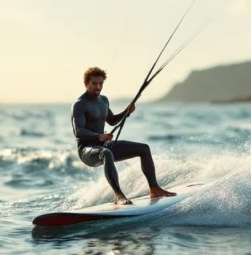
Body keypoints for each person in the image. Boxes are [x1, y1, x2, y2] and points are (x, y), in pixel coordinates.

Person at [71, 67, 176, 205]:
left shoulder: (103, 100)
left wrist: (126, 112)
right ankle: (119, 196)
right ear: (86, 83)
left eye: (101, 83)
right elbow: (78, 131)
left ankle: (154, 188)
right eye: (94, 83)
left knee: (144, 149)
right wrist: (99, 136)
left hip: (102, 145)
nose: (98, 87)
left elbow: (112, 120)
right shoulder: (79, 104)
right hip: (86, 150)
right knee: (106, 153)